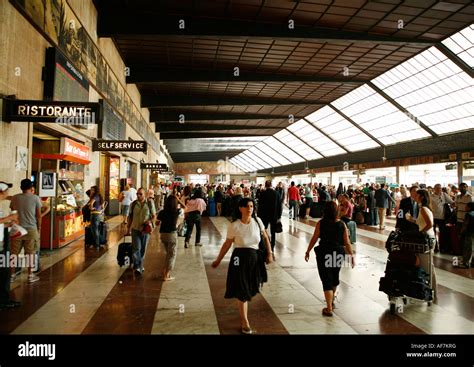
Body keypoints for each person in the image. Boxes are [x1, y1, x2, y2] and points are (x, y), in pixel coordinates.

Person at [211, 198, 273, 334]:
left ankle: (243, 306)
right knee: (242, 289)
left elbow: (266, 238)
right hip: (239, 259)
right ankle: (245, 321)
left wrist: (270, 253)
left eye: (251, 206)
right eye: (246, 206)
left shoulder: (258, 222)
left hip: (255, 259)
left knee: (251, 287)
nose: (250, 208)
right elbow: (227, 244)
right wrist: (218, 260)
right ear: (240, 208)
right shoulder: (234, 225)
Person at [305, 201, 355, 317]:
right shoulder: (342, 224)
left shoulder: (321, 223)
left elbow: (314, 238)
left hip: (324, 253)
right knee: (334, 275)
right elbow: (347, 243)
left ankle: (329, 308)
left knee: (326, 278)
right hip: (337, 253)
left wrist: (308, 251)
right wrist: (352, 256)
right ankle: (331, 300)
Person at [405, 189, 438, 297]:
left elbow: (429, 224)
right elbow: (421, 222)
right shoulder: (424, 208)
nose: (415, 196)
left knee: (427, 264)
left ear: (422, 197)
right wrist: (411, 220)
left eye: (417, 195)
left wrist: (420, 233)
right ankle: (430, 288)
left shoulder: (423, 209)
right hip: (428, 238)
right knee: (427, 263)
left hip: (426, 238)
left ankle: (432, 290)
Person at [10, 179, 42, 284]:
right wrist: (39, 228)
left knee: (14, 253)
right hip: (31, 229)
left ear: (21, 187)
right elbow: (38, 215)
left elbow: (12, 211)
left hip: (17, 229)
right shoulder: (35, 198)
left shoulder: (15, 198)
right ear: (31, 187)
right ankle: (30, 275)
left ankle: (12, 275)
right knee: (30, 253)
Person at [0, 181, 21, 309]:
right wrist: (7, 219)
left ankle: (4, 299)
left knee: (4, 273)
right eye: (6, 190)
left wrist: (9, 224)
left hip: (2, 242)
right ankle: (3, 301)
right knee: (3, 273)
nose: (8, 193)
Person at [127, 187, 156, 276]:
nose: (138, 195)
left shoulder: (150, 203)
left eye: (140, 194)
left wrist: (150, 221)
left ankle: (140, 265)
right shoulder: (133, 204)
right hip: (135, 229)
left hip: (145, 230)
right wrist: (128, 229)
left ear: (145, 195)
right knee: (136, 249)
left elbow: (154, 216)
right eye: (137, 194)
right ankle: (137, 267)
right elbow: (130, 217)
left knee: (142, 249)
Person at [157, 196, 180, 280]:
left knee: (168, 254)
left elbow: (157, 222)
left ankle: (164, 271)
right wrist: (179, 200)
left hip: (163, 234)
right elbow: (186, 208)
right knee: (172, 254)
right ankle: (166, 274)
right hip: (172, 234)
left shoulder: (162, 212)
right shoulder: (177, 212)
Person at [88, 186, 105, 250]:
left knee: (94, 230)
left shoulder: (94, 197)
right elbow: (103, 207)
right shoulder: (100, 197)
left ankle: (97, 244)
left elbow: (91, 205)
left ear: (95, 191)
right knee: (96, 230)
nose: (91, 191)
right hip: (99, 215)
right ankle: (99, 242)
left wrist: (91, 207)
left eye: (92, 190)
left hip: (94, 215)